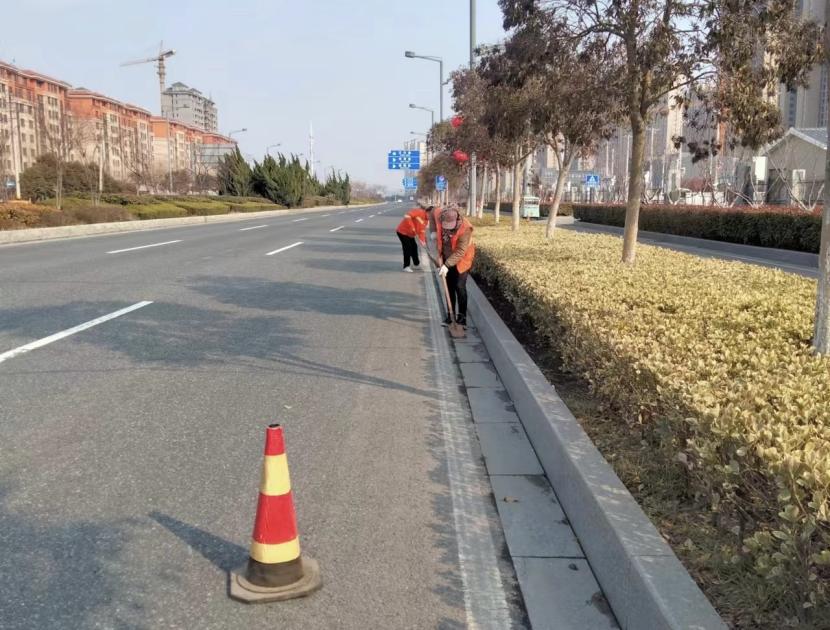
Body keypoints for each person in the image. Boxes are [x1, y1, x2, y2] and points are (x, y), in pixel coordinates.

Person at [436, 207, 475, 327]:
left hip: (462, 260)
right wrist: (440, 260)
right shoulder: (441, 222)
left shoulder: (465, 228)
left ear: (457, 219)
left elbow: (460, 251)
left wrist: (446, 265)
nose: (448, 228)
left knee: (459, 286)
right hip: (447, 259)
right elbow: (441, 241)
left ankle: (462, 318)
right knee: (449, 287)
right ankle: (450, 316)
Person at [395, 203, 429, 272]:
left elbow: (421, 232)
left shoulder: (426, 221)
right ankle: (406, 266)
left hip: (411, 234)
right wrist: (412, 227)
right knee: (407, 247)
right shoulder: (419, 212)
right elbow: (407, 216)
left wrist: (423, 242)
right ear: (427, 212)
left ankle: (416, 264)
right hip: (402, 231)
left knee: (414, 247)